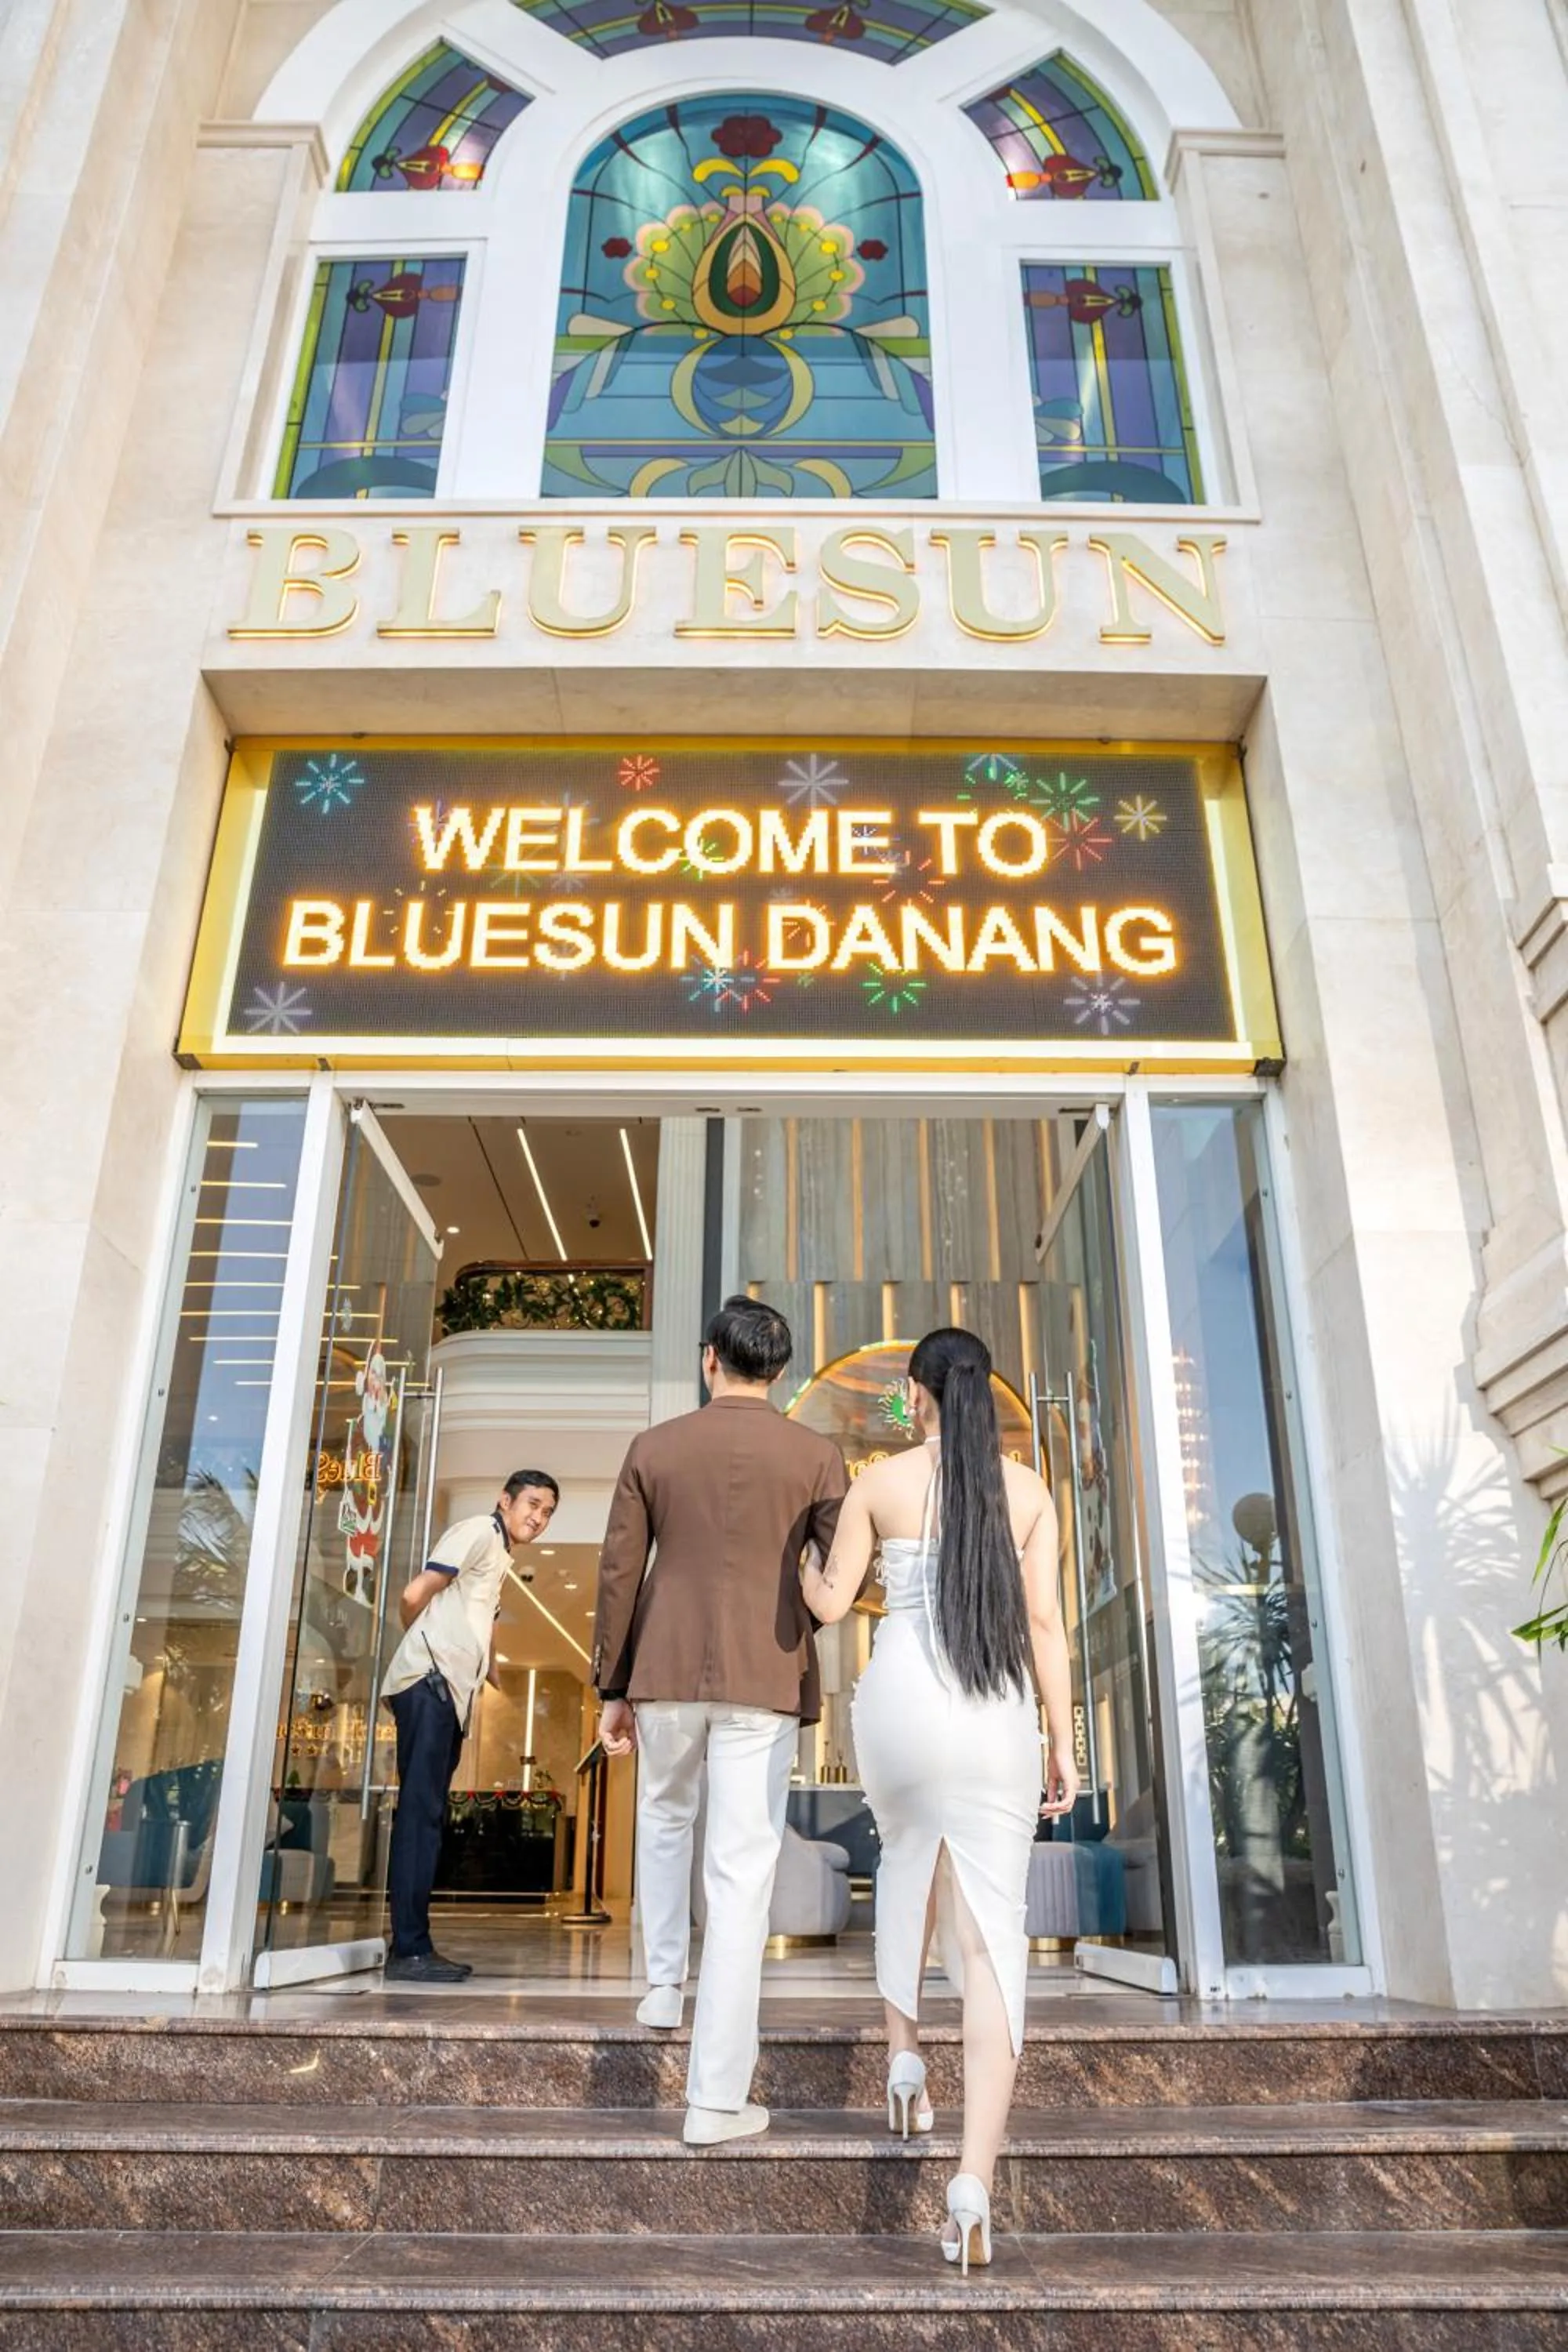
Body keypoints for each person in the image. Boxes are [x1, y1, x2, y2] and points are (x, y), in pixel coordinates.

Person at [800, 1328, 1076, 2271]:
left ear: (914, 1394)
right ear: (984, 1396)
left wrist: (800, 1559)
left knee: (906, 1868)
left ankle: (904, 2063)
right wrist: (1064, 1745)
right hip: (993, 1713)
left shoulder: (875, 1485)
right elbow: (1044, 1625)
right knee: (989, 1939)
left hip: (899, 1712)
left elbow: (832, 1604)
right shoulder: (1031, 1493)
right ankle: (970, 2188)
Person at [593, 1297, 847, 2147]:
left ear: (710, 1359)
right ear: (777, 1373)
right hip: (762, 1673)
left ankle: (662, 1984)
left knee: (664, 1818)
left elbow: (619, 1573)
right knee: (740, 1878)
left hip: (663, 1668)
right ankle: (713, 2102)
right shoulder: (815, 1455)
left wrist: (610, 1686)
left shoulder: (652, 1448)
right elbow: (840, 1570)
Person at [379, 1469, 559, 1983]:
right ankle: (409, 1950)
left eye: (547, 1512)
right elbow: (416, 1594)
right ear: (505, 1500)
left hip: (449, 1692)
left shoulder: (498, 1555)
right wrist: (428, 1648)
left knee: (428, 1817)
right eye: (532, 1504)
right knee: (421, 1817)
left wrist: (489, 1671)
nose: (538, 1517)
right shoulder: (479, 1530)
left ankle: (412, 1944)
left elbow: (481, 1622)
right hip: (431, 1684)